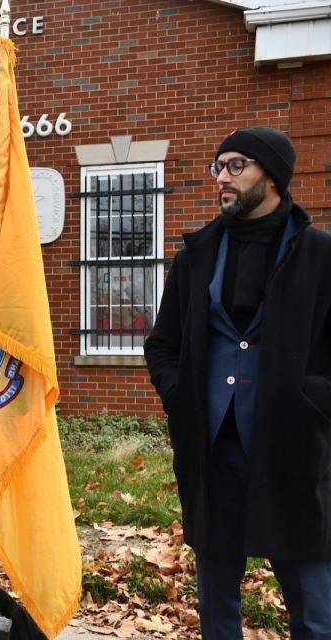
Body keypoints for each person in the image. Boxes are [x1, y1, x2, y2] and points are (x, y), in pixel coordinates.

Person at [145, 127, 331, 639]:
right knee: (217, 609)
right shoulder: (196, 257)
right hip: (214, 452)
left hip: (294, 453)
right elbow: (161, 343)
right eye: (218, 167)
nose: (222, 178)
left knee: (315, 613)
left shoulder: (320, 257)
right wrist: (179, 394)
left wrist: (311, 402)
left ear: (271, 175)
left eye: (235, 166)